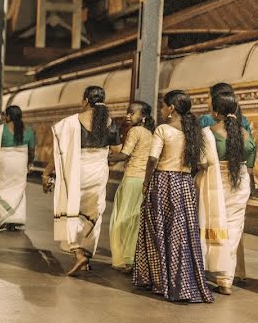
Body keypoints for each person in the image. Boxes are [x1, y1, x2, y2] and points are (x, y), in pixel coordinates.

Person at [133, 90, 213, 303]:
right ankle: (183, 282)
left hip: (162, 183)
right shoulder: (195, 132)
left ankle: (160, 281)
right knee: (182, 233)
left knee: (158, 231)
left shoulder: (163, 129)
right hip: (184, 185)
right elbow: (203, 163)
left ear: (171, 109)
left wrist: (146, 184)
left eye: (163, 105)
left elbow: (152, 160)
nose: (161, 109)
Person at [42, 86, 120, 276]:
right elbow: (117, 151)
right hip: (98, 173)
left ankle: (78, 254)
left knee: (73, 212)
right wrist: (102, 158)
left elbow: (58, 153)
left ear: (85, 100)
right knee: (93, 212)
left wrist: (47, 173)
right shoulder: (109, 123)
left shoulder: (70, 123)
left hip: (76, 172)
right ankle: (85, 254)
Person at [198, 92, 255, 296]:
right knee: (233, 230)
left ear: (215, 111)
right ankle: (225, 280)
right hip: (240, 184)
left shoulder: (208, 132)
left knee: (213, 224)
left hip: (217, 182)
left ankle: (207, 267)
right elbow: (249, 163)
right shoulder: (245, 133)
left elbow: (202, 162)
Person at [106, 101, 155, 273]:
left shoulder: (135, 131)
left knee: (121, 220)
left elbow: (123, 155)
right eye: (128, 112)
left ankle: (124, 259)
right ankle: (132, 258)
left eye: (132, 113)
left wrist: (103, 157)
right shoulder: (150, 133)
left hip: (132, 178)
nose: (128, 116)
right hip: (142, 180)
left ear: (143, 117)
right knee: (135, 219)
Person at [0, 105, 35, 232]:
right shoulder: (28, 130)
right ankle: (16, 220)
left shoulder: (1, 129)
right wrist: (29, 163)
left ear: (8, 116)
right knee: (18, 191)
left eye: (4, 115)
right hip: (21, 163)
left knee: (0, 189)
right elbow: (32, 151)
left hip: (5, 163)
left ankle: (5, 219)